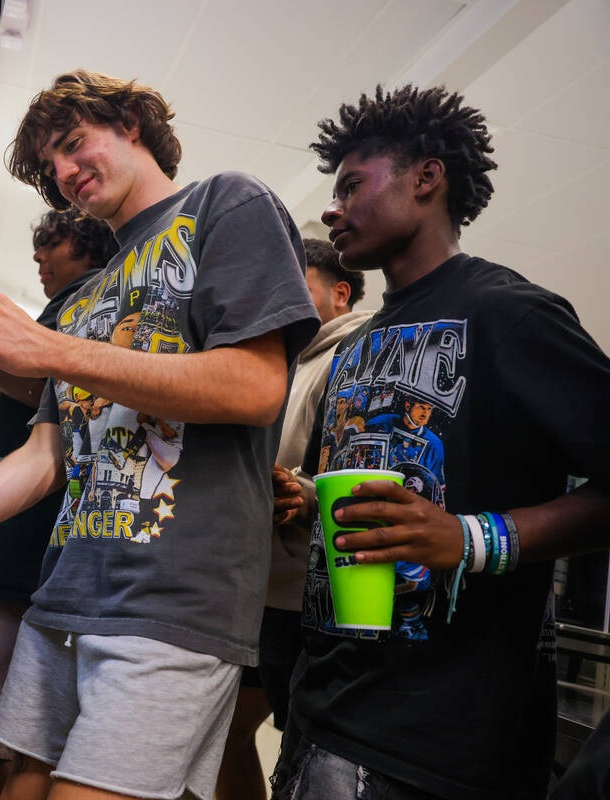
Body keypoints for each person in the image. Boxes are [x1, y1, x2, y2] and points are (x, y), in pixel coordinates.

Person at [0, 70, 320, 800]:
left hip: (171, 608)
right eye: (49, 170)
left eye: (72, 144)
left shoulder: (227, 203)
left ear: (131, 123)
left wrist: (47, 348)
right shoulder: (87, 297)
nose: (63, 175)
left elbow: (255, 388)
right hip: (61, 597)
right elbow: (43, 459)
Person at [269, 85, 610, 800]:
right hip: (321, 707)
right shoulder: (353, 348)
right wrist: (301, 499)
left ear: (427, 178)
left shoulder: (509, 314)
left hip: (442, 741)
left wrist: (471, 537)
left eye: (352, 186)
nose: (332, 210)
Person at [0, 208, 116, 800]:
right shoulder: (66, 312)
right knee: (12, 740)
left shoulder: (89, 308)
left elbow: (62, 397)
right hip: (16, 554)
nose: (39, 257)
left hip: (31, 557)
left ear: (87, 245)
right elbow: (43, 409)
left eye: (51, 244)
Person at [219, 239, 371, 800]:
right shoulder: (291, 360)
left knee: (298, 753)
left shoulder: (352, 354)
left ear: (339, 294)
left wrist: (298, 491)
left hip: (299, 596)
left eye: (299, 291)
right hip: (260, 586)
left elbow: (345, 467)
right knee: (230, 735)